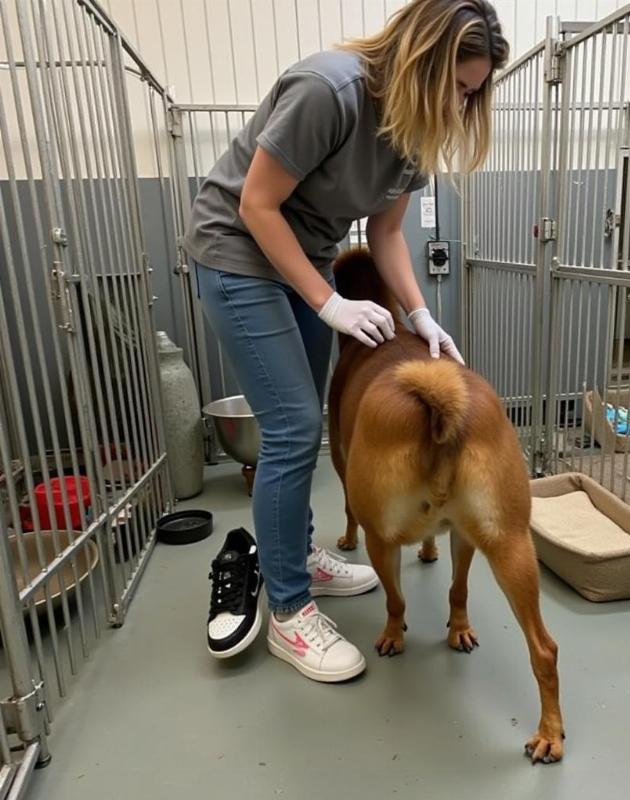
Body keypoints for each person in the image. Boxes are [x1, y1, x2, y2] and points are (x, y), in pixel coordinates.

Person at [183, 0, 509, 682]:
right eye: (457, 85)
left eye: (472, 94)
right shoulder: (328, 91)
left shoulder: (415, 131)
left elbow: (387, 234)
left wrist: (420, 315)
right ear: (421, 60)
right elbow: (255, 205)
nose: (460, 103)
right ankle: (290, 614)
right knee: (294, 426)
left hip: (304, 257)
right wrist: (328, 300)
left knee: (302, 422)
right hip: (238, 252)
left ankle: (294, 556)